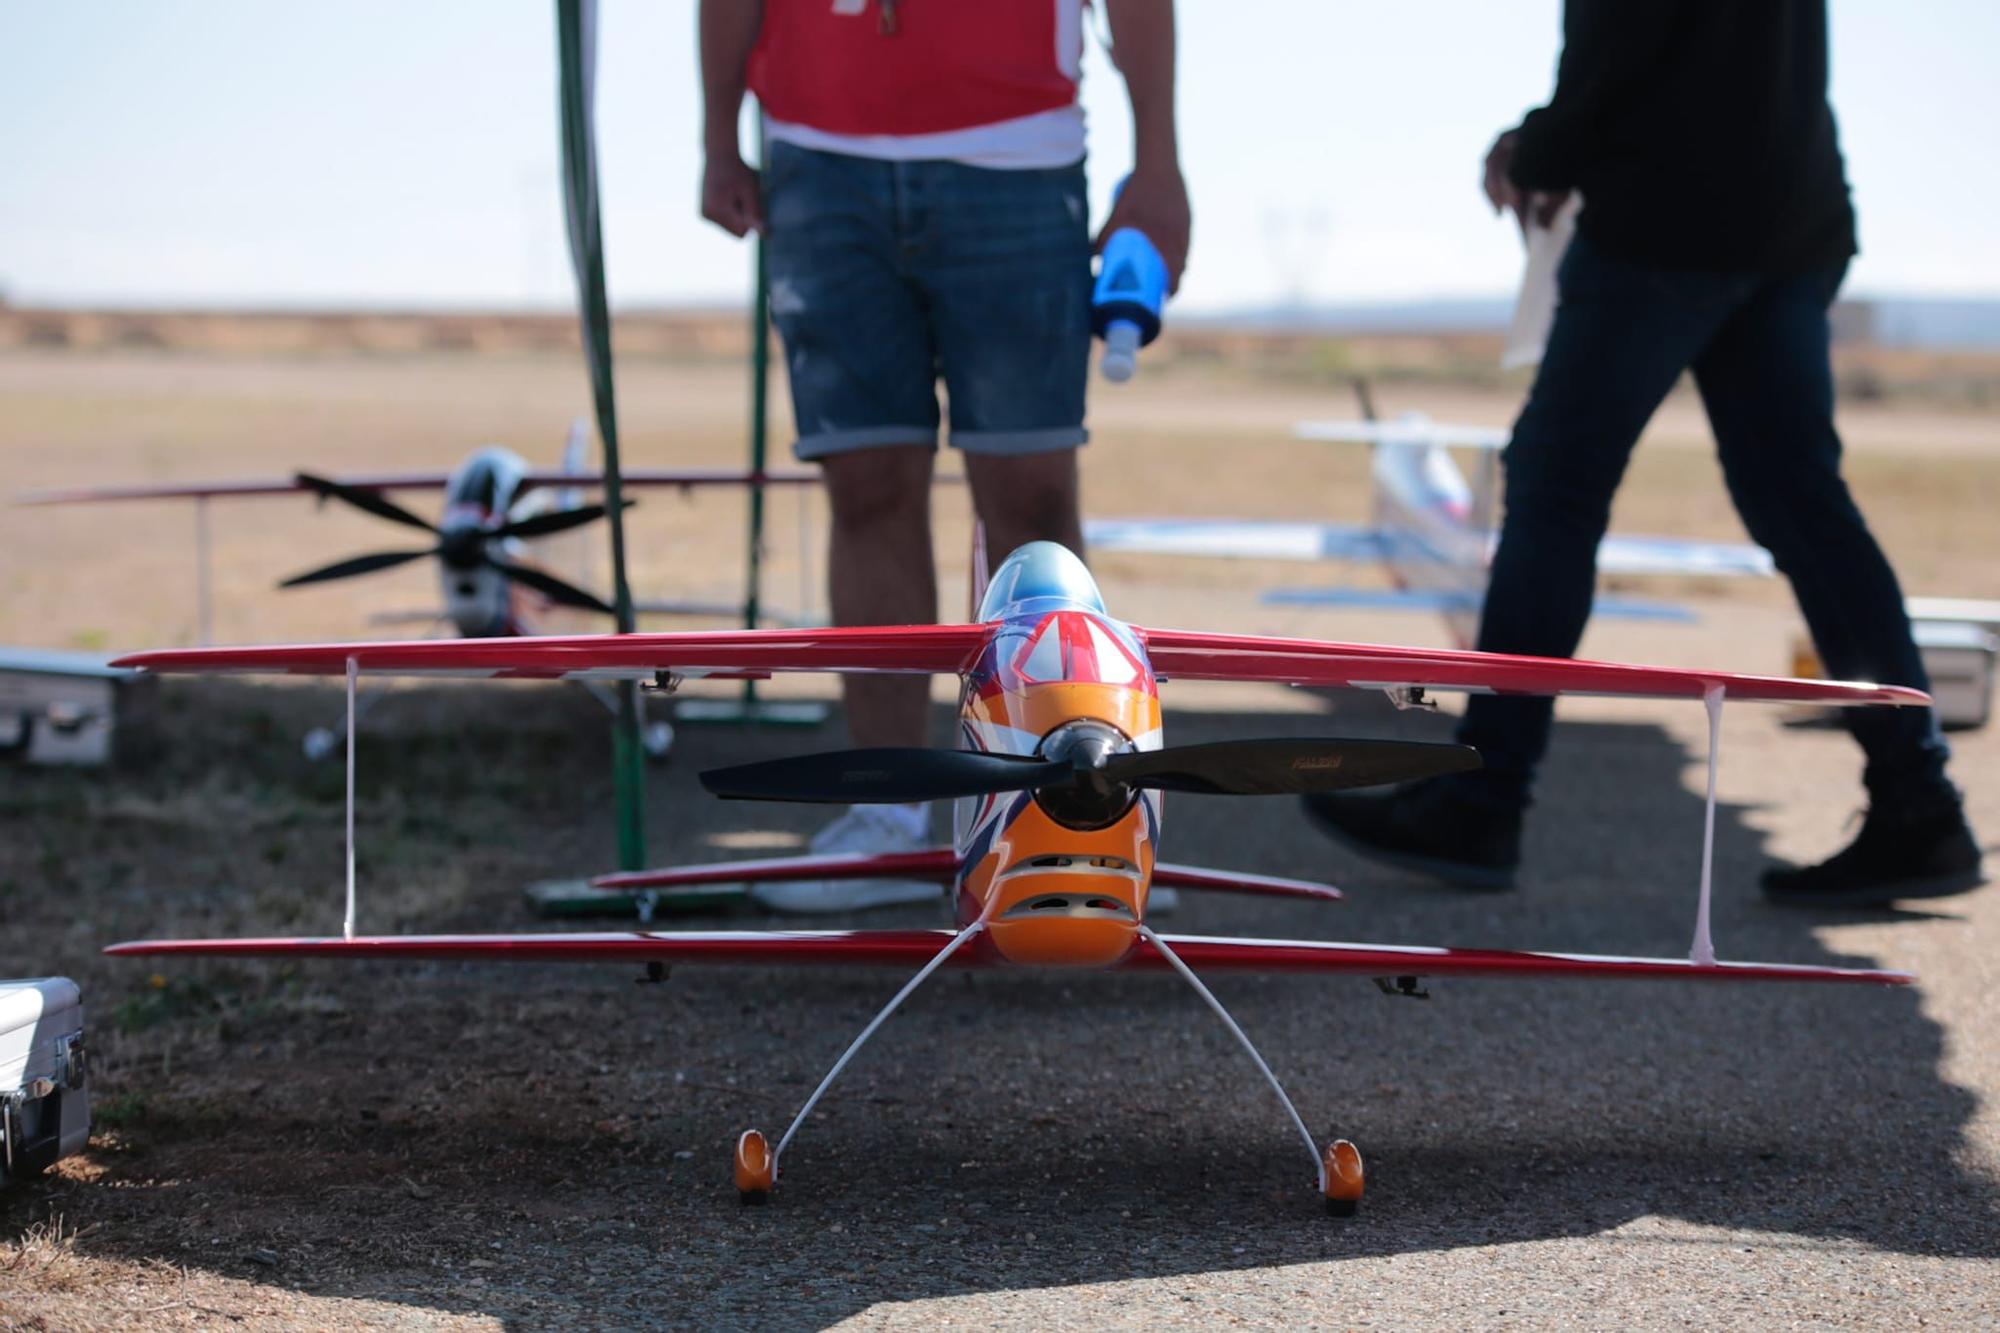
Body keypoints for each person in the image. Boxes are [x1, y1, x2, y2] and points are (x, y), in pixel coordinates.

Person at [1304, 0, 1981, 909]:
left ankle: (1482, 797)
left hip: (1666, 222)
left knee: (1553, 490)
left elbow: (1620, 49)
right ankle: (1919, 800)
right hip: (1791, 211)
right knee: (1806, 509)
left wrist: (1535, 154)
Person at [699, 0, 1189, 912]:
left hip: (1017, 157)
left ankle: (1065, 812)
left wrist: (1157, 161)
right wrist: (718, 134)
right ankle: (888, 807)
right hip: (818, 157)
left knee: (1033, 495)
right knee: (868, 487)